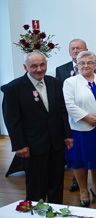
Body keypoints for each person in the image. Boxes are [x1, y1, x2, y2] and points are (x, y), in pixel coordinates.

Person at [2, 52, 73, 202]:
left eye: (42, 65)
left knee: (56, 183)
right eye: (34, 66)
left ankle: (56, 215)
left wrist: (67, 135)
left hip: (56, 144)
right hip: (32, 146)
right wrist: (19, 145)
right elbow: (12, 120)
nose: (39, 69)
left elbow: (62, 111)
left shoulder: (55, 83)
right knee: (36, 186)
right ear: (25, 67)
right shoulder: (13, 88)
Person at [63, 50, 96, 206]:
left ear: (95, 64)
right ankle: (84, 190)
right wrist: (88, 117)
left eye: (90, 62)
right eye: (82, 63)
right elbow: (69, 105)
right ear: (77, 65)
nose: (86, 66)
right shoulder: (70, 82)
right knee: (79, 161)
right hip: (80, 129)